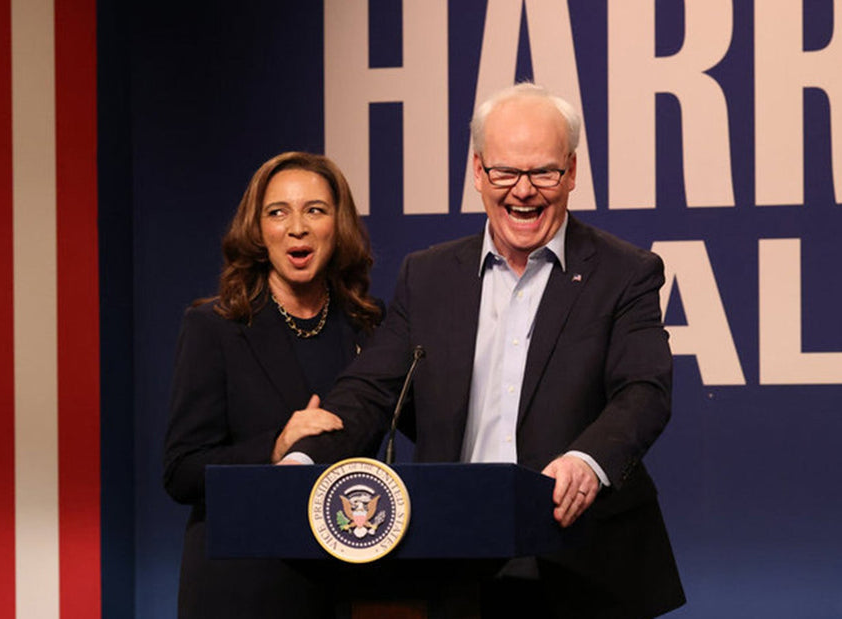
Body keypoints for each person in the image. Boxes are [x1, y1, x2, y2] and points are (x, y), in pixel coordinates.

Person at [285, 83, 686, 618]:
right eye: (505, 172)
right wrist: (303, 457)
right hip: (455, 560)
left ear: (570, 172)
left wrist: (588, 460)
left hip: (582, 563)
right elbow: (370, 390)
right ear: (478, 172)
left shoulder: (625, 273)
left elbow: (644, 391)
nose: (523, 191)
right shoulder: (427, 276)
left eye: (543, 172)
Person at [162, 151, 383, 619]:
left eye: (315, 210)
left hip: (343, 586)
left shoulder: (368, 326)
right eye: (277, 212)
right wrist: (277, 444)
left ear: (337, 225)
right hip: (243, 588)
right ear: (258, 230)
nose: (296, 227)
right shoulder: (215, 326)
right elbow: (181, 471)